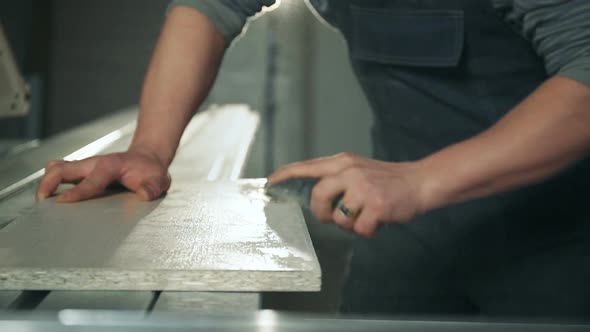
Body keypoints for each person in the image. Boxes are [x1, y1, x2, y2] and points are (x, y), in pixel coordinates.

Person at [37, 0, 590, 319]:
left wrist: (423, 181)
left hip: (554, 237)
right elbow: (208, 8)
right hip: (401, 230)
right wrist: (150, 149)